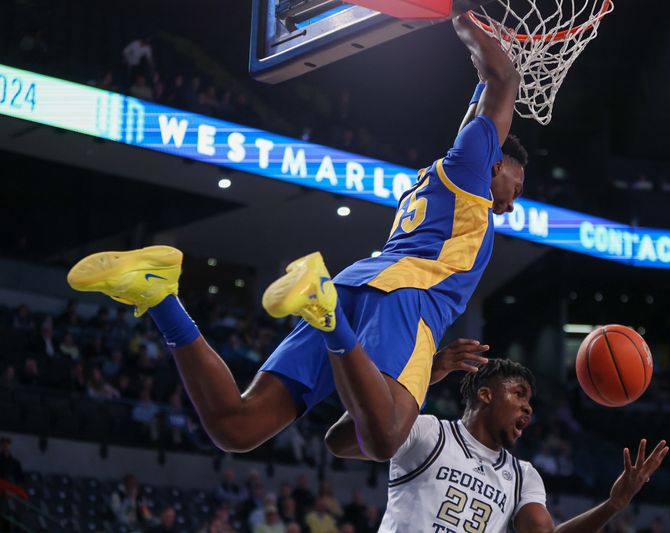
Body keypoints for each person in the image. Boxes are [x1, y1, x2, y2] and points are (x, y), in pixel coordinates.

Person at [65, 14, 524, 461]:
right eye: (517, 188)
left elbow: (341, 441)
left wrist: (425, 372)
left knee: (237, 428)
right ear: (497, 163)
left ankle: (159, 292)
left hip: (356, 290)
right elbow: (502, 78)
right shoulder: (470, 172)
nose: (511, 203)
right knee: (385, 438)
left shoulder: (444, 179)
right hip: (405, 296)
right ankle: (323, 313)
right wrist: (459, 10)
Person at [331, 356, 669, 532]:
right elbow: (339, 442)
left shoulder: (523, 476)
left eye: (531, 401)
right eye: (519, 394)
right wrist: (421, 379)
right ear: (486, 394)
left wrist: (613, 504)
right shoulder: (430, 434)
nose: (528, 407)